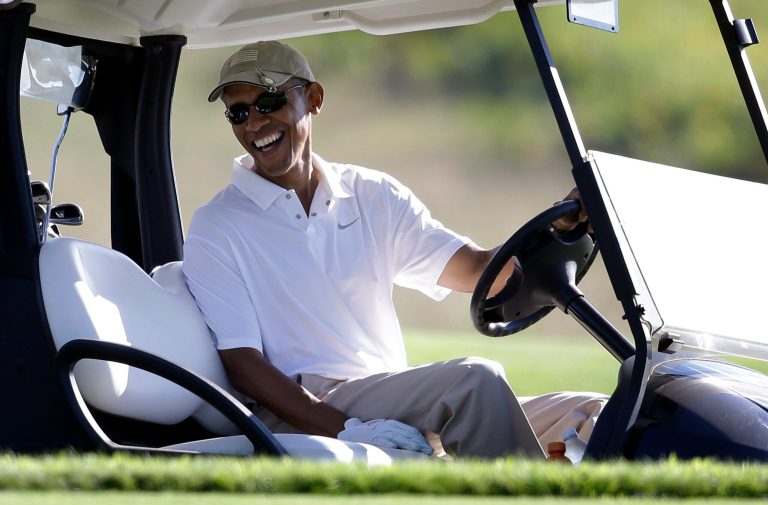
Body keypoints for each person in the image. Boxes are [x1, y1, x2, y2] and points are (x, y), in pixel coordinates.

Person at [183, 40, 608, 459]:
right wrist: (349, 429)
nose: (253, 124)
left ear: (314, 98)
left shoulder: (372, 194)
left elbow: (477, 271)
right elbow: (244, 365)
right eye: (238, 112)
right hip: (308, 408)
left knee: (592, 411)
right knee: (476, 381)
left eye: (269, 102)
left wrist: (553, 226)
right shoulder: (218, 226)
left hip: (391, 400)